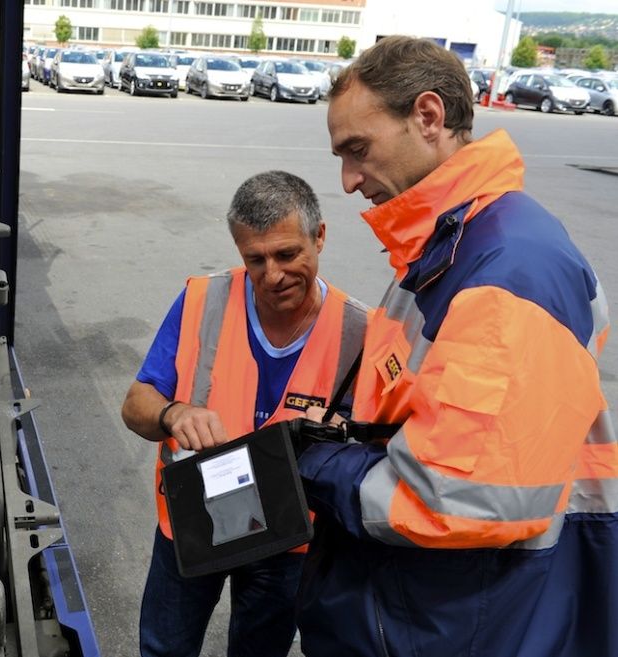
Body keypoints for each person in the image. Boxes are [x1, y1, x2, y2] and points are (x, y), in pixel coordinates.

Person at [293, 35, 616, 657]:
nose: (349, 179)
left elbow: (454, 499)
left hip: (462, 620)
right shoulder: (451, 245)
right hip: (428, 606)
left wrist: (316, 463)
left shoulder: (506, 267)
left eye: (357, 150)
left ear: (429, 117)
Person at [120, 171, 368, 657]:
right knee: (164, 648)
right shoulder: (202, 299)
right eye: (255, 259)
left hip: (287, 542)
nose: (272, 274)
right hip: (192, 525)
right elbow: (136, 403)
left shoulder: (359, 332)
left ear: (319, 237)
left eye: (287, 254)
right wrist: (173, 414)